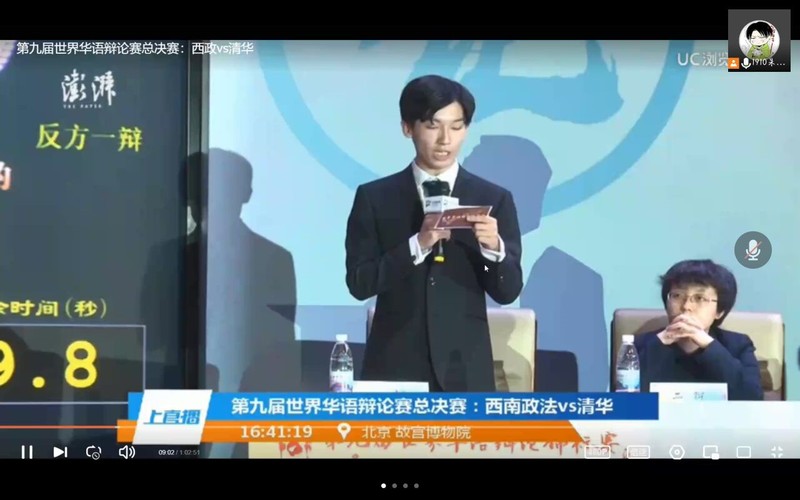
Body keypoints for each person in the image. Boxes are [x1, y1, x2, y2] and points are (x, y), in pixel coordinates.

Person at [344, 74, 523, 392]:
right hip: (394, 370)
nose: (445, 140)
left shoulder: (493, 199)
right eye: (432, 126)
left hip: (465, 371)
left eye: (456, 127)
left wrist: (493, 249)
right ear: (407, 128)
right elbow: (360, 283)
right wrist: (418, 244)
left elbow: (507, 292)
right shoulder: (375, 198)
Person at [634, 259, 764, 400]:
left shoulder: (738, 345)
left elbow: (752, 398)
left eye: (700, 298)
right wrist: (658, 344)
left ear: (719, 311)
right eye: (677, 296)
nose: (686, 306)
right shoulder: (641, 344)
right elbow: (628, 402)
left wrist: (708, 345)